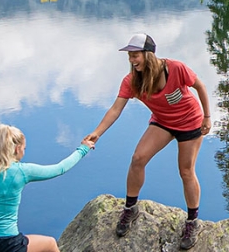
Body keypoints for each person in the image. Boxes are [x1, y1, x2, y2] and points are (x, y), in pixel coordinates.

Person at [82, 34, 212, 251]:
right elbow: (116, 109)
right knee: (138, 159)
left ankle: (192, 222)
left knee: (186, 171)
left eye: (136, 55)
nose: (132, 60)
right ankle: (130, 208)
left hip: (190, 122)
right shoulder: (132, 81)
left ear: (148, 54)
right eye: (130, 56)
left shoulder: (175, 68)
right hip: (162, 122)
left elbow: (200, 87)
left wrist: (207, 117)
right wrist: (97, 133)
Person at [0, 124, 93, 252]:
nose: (24, 152)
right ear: (16, 149)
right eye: (24, 148)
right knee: (50, 244)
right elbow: (60, 168)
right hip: (7, 243)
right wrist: (83, 149)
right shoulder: (21, 171)